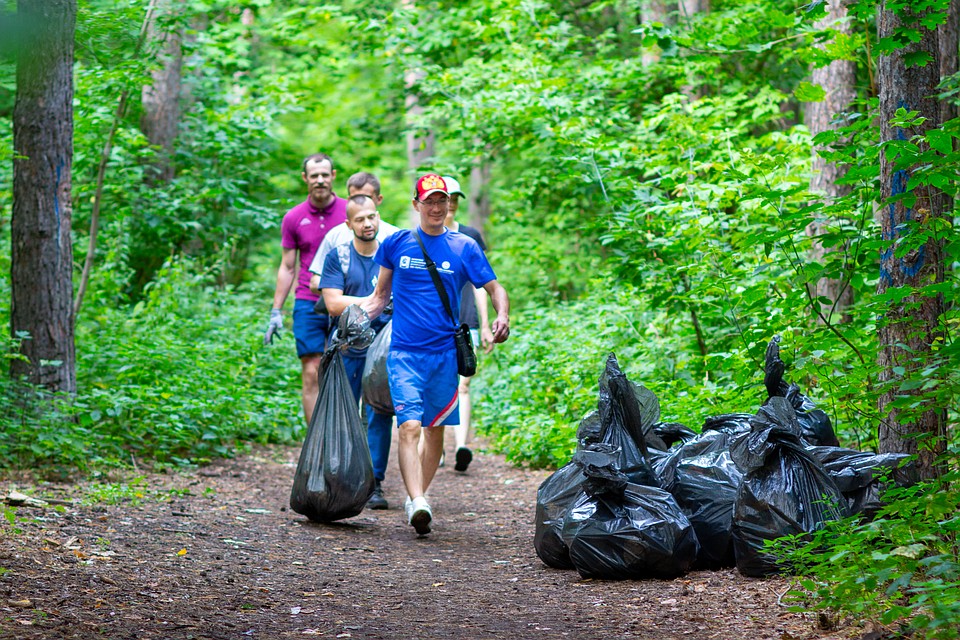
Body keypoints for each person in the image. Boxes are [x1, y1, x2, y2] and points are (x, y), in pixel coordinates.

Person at [360, 174, 510, 536]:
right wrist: (354, 323)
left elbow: (494, 286)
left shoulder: (464, 247)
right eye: (429, 201)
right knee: (409, 426)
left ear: (449, 204)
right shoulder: (395, 243)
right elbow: (380, 297)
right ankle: (418, 500)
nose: (437, 207)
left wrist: (502, 315)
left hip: (444, 355)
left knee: (435, 431)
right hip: (404, 353)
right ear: (416, 205)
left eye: (442, 200)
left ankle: (418, 497)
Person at [317, 194, 396, 510]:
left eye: (372, 217)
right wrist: (378, 298)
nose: (368, 223)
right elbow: (332, 303)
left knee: (379, 411)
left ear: (379, 217)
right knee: (343, 410)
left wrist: (359, 299)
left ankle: (375, 483)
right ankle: (340, 478)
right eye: (360, 219)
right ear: (349, 224)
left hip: (382, 346)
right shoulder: (339, 256)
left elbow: (397, 297)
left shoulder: (391, 254)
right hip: (347, 343)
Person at [263, 153, 347, 425]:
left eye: (325, 175)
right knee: (312, 371)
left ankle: (343, 436)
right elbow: (287, 266)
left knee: (344, 369)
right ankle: (317, 443)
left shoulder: (350, 212)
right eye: (314, 176)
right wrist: (276, 310)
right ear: (305, 179)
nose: (320, 180)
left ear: (333, 176)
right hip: (307, 301)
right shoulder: (294, 217)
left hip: (345, 301)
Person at [441, 175, 495, 473]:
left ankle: (461, 444)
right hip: (436, 322)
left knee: (463, 384)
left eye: (454, 198)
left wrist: (485, 324)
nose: (449, 204)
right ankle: (435, 444)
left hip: (466, 320)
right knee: (438, 382)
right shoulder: (424, 237)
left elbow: (481, 283)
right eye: (444, 198)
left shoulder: (471, 236)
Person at [308, 172, 400, 287]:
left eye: (366, 197)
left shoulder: (394, 236)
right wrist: (341, 285)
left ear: (379, 199)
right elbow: (315, 280)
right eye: (355, 198)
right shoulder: (335, 235)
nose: (361, 202)